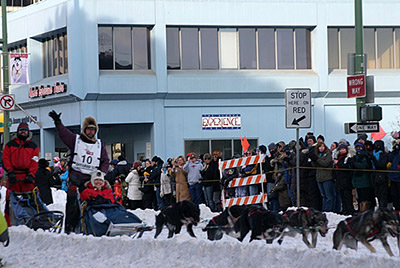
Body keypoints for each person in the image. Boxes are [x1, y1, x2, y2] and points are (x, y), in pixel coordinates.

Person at [48, 110, 109, 233]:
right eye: (88, 129)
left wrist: (101, 175)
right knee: (72, 204)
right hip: (76, 178)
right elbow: (64, 134)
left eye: (93, 130)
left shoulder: (99, 145)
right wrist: (58, 122)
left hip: (90, 180)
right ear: (84, 130)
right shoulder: (76, 140)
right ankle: (70, 230)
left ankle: (90, 227)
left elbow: (105, 161)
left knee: (92, 204)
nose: (91, 132)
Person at [3, 122, 39, 225]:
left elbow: (34, 161)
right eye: (21, 130)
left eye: (25, 130)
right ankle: (11, 225)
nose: (23, 132)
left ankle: (33, 223)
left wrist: (31, 175)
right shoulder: (10, 145)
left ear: (28, 132)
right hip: (14, 179)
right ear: (17, 131)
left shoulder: (33, 146)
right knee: (10, 203)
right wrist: (10, 172)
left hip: (27, 180)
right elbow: (6, 159)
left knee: (32, 202)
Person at [310, 142, 335, 212]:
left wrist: (317, 160)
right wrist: (313, 160)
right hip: (319, 177)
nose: (321, 148)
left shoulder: (328, 154)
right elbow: (315, 166)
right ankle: (324, 209)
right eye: (320, 147)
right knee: (323, 195)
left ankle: (329, 209)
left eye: (322, 147)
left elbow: (326, 163)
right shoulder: (318, 155)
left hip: (327, 177)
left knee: (328, 195)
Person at [349, 142, 373, 213]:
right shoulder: (355, 157)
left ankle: (365, 210)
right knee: (359, 197)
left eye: (360, 148)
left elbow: (363, 166)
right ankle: (361, 210)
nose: (358, 150)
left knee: (365, 197)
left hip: (364, 180)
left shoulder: (365, 156)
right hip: (357, 181)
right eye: (357, 148)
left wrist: (354, 163)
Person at [333, 143, 355, 215]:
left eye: (343, 149)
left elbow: (347, 167)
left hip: (346, 180)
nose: (342, 151)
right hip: (339, 180)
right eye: (340, 149)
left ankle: (349, 210)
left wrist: (338, 163)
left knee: (347, 196)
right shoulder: (337, 157)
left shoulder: (348, 157)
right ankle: (344, 209)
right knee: (342, 196)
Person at [371, 140, 389, 208]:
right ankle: (379, 208)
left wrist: (374, 159)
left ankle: (383, 209)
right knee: (377, 194)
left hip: (382, 176)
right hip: (375, 175)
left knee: (383, 194)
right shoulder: (373, 153)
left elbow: (382, 164)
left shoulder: (383, 154)